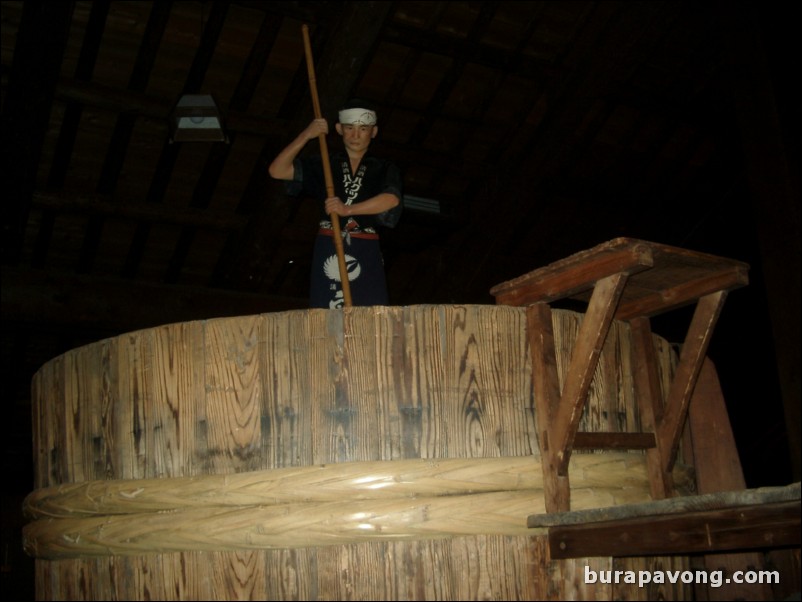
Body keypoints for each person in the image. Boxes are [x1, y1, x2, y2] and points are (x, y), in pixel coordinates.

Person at [268, 99, 403, 309]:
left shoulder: (384, 167)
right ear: (339, 129)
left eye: (363, 129)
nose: (355, 135)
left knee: (371, 309)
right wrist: (307, 134)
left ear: (373, 132)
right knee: (327, 308)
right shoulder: (324, 162)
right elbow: (277, 170)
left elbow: (391, 199)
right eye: (349, 128)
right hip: (329, 243)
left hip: (365, 243)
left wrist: (347, 209)